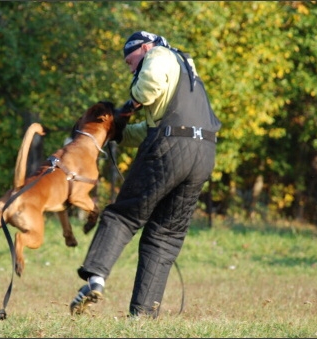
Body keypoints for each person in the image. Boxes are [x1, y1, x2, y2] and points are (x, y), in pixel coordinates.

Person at [69, 30, 221, 318]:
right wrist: (117, 134)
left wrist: (129, 104)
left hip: (171, 148)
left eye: (130, 60)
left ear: (146, 46)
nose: (130, 67)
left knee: (122, 215)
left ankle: (95, 280)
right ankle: (142, 317)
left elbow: (147, 87)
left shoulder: (160, 55)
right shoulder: (187, 71)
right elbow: (156, 127)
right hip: (204, 152)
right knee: (165, 235)